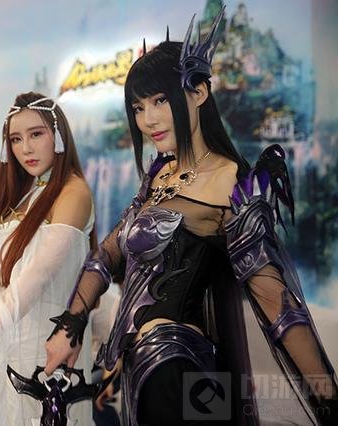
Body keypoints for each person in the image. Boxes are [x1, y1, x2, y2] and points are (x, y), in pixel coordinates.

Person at [45, 12, 337, 426]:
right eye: (138, 107)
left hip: (178, 372)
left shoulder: (229, 181)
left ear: (199, 93)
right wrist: (69, 327)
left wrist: (328, 398)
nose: (148, 119)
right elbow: (106, 255)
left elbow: (277, 304)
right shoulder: (160, 174)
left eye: (160, 101)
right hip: (144, 374)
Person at [0, 92, 96, 425]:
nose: (25, 148)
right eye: (15, 139)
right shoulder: (30, 195)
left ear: (58, 135)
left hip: (50, 352)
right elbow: (26, 241)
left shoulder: (73, 192)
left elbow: (38, 273)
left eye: (36, 134)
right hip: (11, 348)